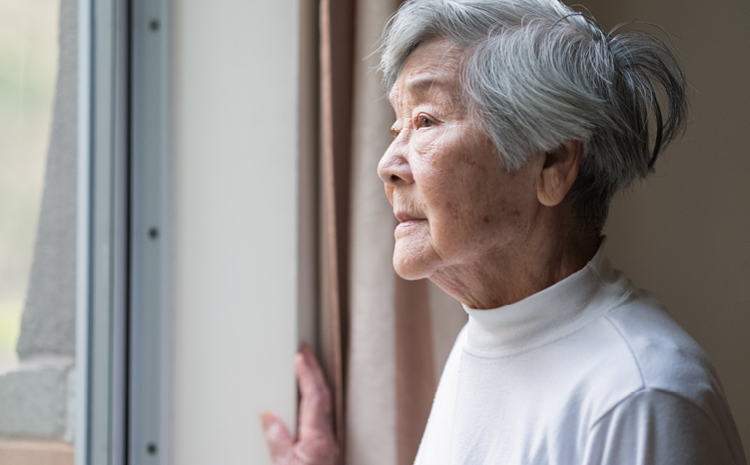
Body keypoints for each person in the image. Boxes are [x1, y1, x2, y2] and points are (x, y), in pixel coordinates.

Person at [261, 0, 748, 463]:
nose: (387, 166)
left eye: (425, 120)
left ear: (553, 161)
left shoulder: (641, 398)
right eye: (397, 129)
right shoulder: (490, 336)